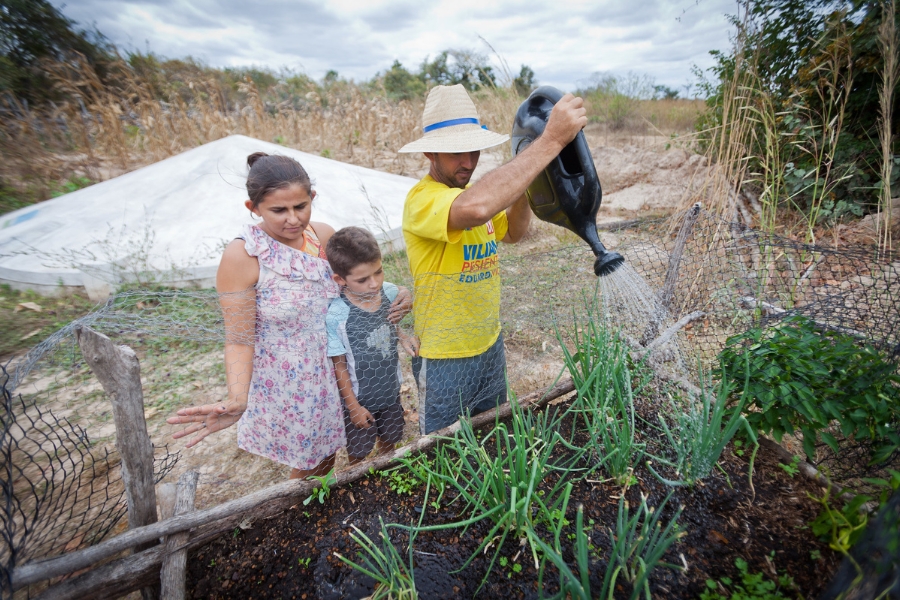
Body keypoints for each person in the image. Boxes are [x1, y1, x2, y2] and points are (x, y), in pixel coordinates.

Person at [166, 152, 409, 479]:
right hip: (297, 378)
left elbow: (351, 286)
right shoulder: (244, 256)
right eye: (278, 210)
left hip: (346, 362)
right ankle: (302, 512)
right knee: (313, 462)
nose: (293, 219)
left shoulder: (322, 236)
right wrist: (238, 397)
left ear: (313, 198)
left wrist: (395, 292)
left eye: (301, 206)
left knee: (356, 442)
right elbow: (239, 338)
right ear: (253, 209)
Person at [398, 84, 587, 434]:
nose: (468, 162)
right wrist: (548, 143)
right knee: (443, 452)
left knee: (492, 434)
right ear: (430, 155)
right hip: (444, 357)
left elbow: (513, 232)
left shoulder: (474, 192)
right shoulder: (422, 200)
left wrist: (532, 175)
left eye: (473, 150)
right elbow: (477, 208)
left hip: (489, 342)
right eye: (455, 154)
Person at [324, 226, 419, 464]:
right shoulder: (337, 314)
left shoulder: (388, 292)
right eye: (362, 279)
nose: (374, 283)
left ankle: (388, 471)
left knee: (390, 440)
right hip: (360, 397)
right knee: (359, 452)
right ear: (340, 279)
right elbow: (340, 366)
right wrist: (353, 406)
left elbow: (389, 323)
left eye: (379, 272)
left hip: (390, 389)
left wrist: (403, 337)